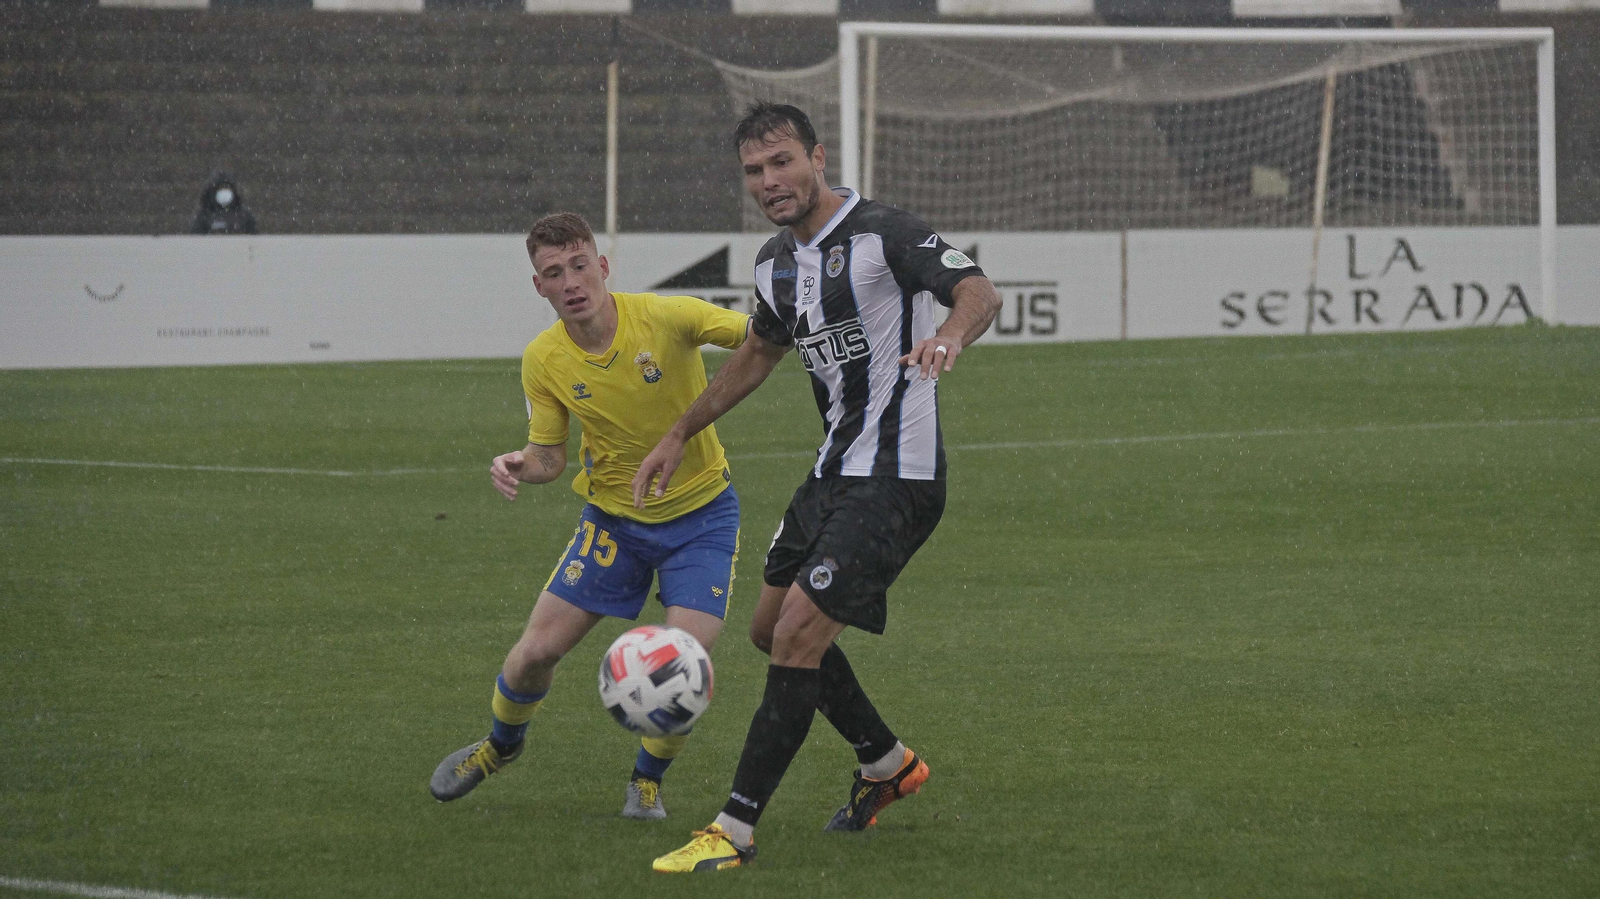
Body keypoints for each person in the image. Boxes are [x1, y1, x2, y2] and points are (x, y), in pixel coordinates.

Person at [634, 102, 1004, 872]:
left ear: (817, 158)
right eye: (754, 171)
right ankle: (887, 763)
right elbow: (756, 357)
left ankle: (732, 831)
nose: (770, 181)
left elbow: (978, 291)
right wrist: (678, 431)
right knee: (770, 630)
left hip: (897, 473)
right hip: (833, 469)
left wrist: (948, 335)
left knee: (800, 636)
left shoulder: (884, 232)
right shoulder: (775, 263)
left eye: (782, 163)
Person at [429, 212, 750, 820]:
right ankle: (499, 747)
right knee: (531, 655)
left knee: (685, 664)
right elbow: (550, 455)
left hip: (702, 518)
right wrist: (523, 464)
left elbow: (760, 336)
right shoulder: (544, 359)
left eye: (580, 265)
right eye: (555, 272)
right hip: (615, 524)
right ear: (540, 287)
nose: (571, 280)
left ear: (602, 268)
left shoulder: (668, 317)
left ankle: (647, 780)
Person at [190, 172, 257, 235]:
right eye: (220, 188)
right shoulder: (203, 216)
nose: (224, 191)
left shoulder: (244, 215)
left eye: (227, 187)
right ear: (212, 191)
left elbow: (253, 238)